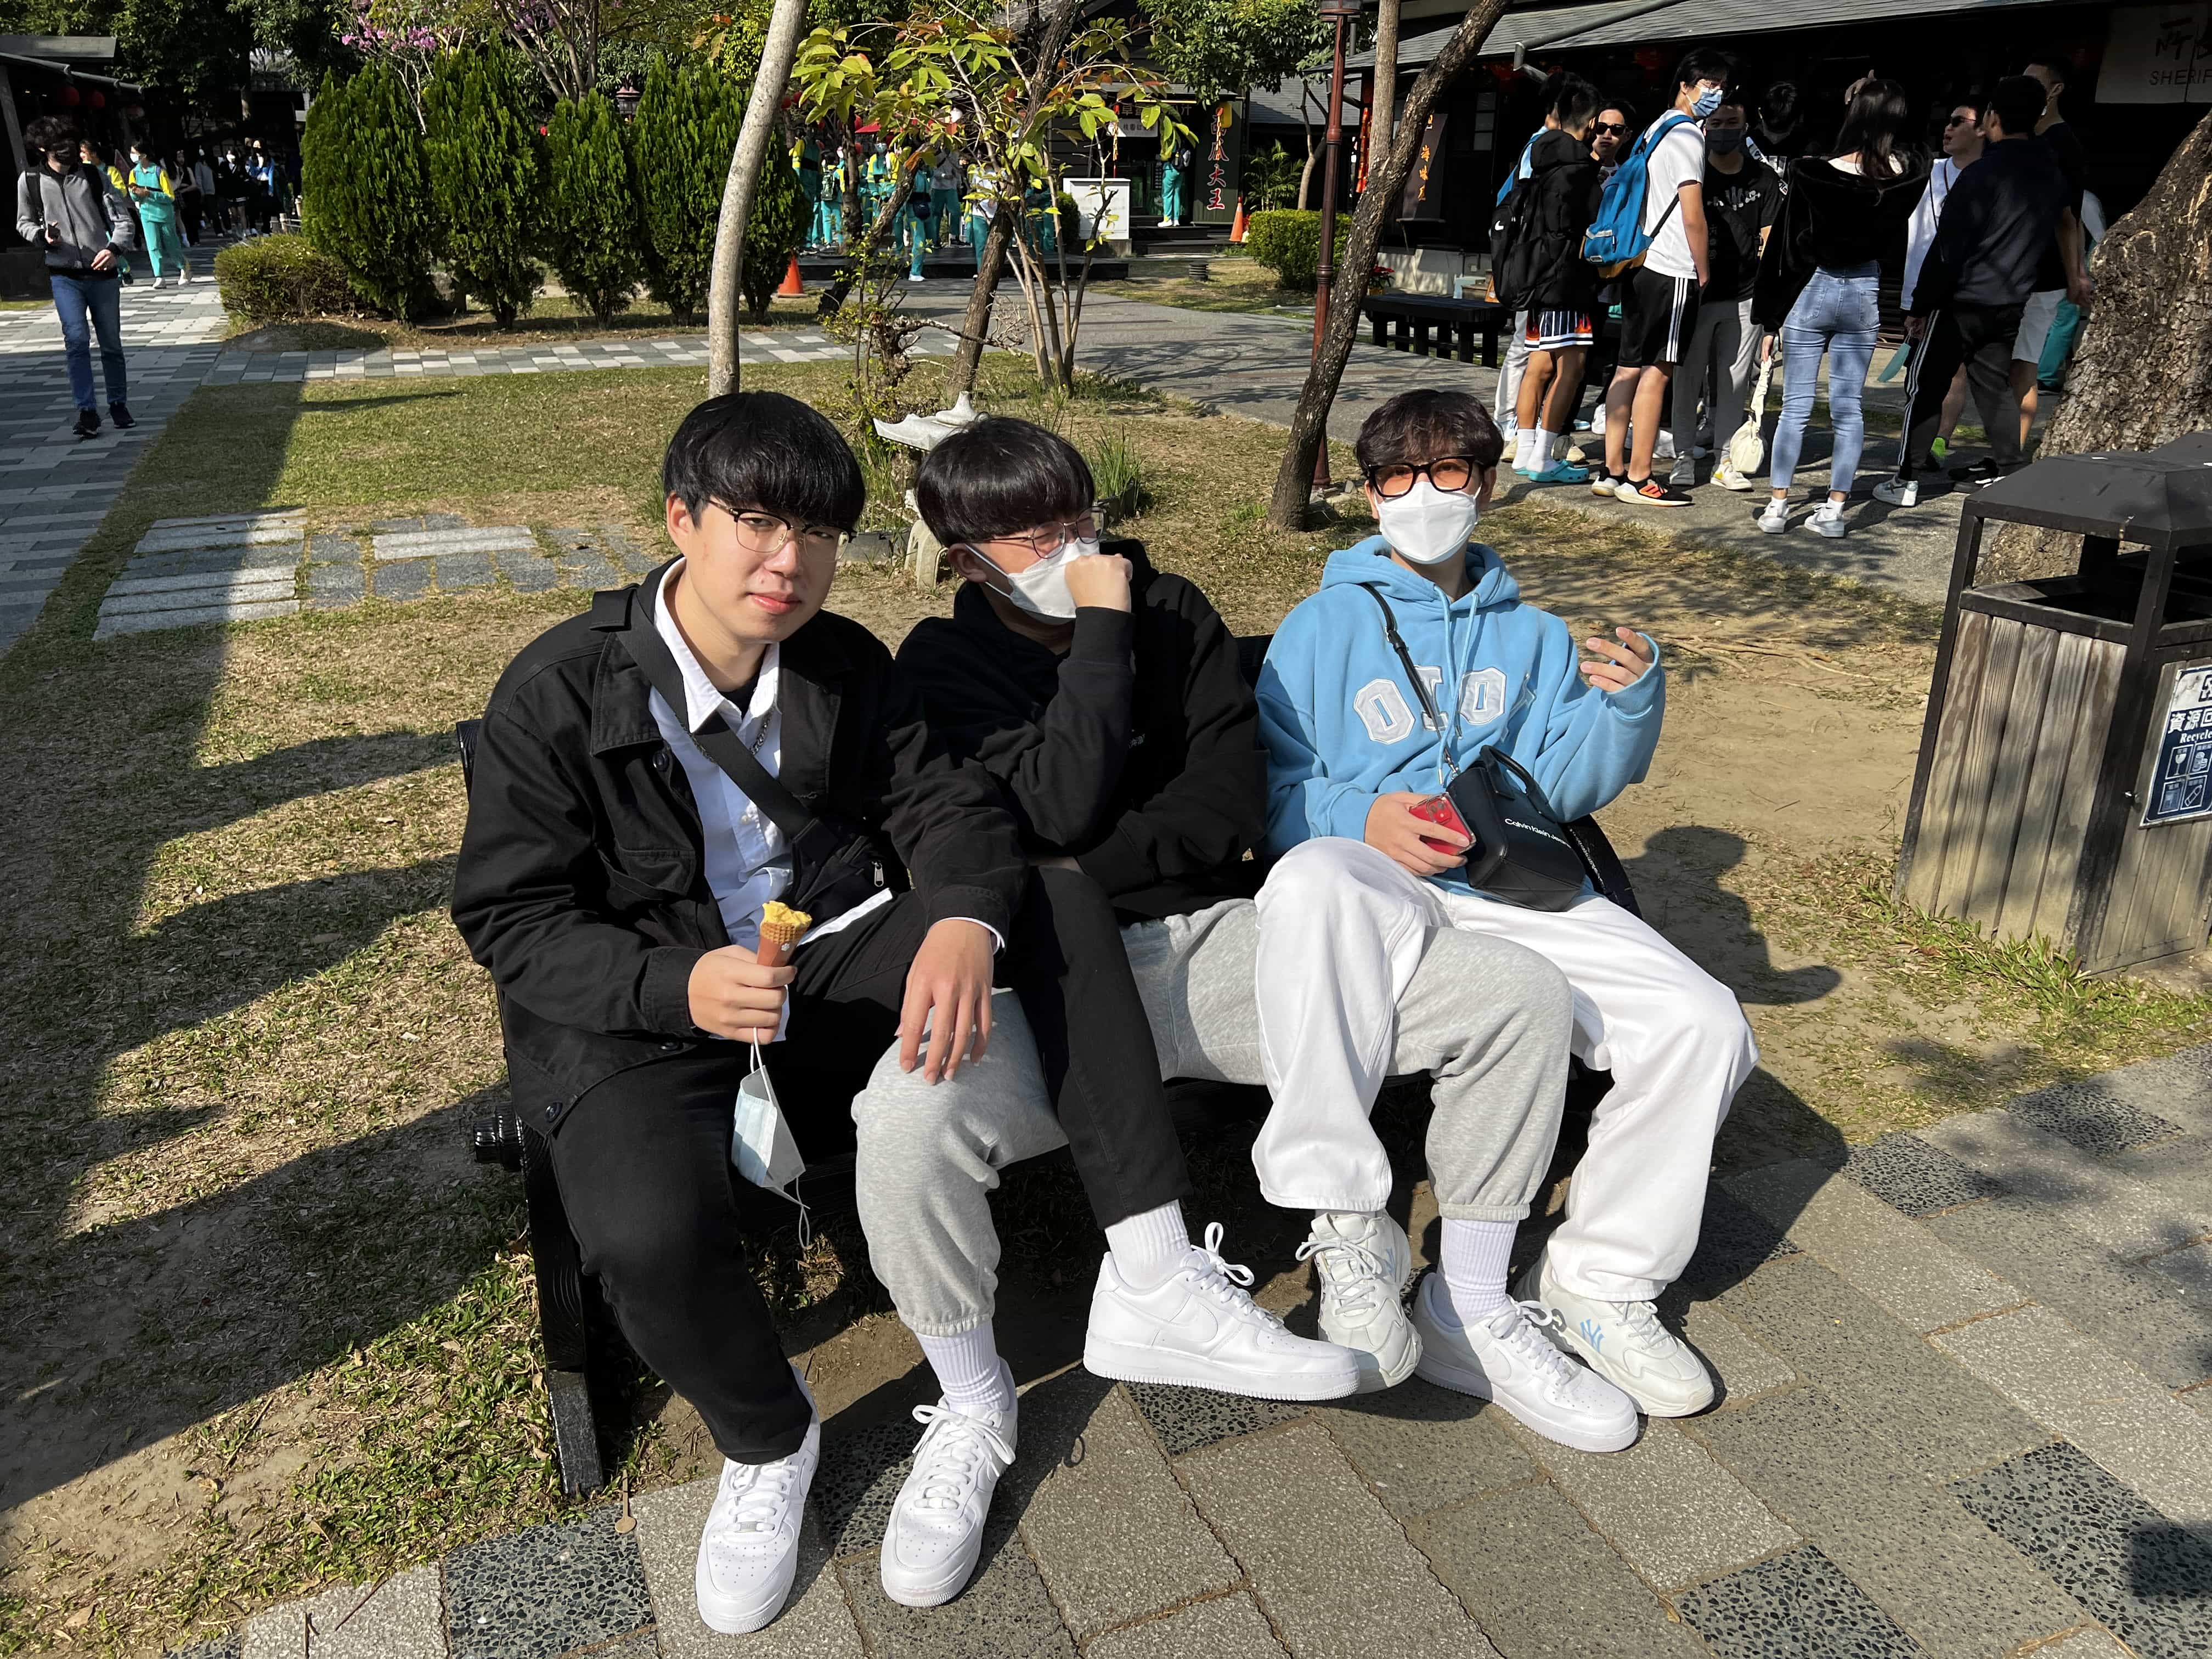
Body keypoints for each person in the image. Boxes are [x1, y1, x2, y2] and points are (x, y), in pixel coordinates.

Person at [452, 392, 1357, 1634]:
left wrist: (963, 917)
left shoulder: (842, 664)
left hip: (825, 952)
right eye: (757, 524)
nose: (789, 562)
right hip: (643, 1001)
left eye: (818, 534)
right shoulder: (559, 690)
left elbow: (947, 806)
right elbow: (510, 914)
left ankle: (1153, 1275)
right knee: (647, 1236)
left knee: (1046, 896)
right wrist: (674, 985)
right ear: (681, 520)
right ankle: (768, 1443)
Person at [856, 416, 1605, 1600]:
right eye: (1037, 537)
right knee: (903, 1122)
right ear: (966, 560)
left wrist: (1073, 872)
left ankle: (1469, 1304)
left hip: (1210, 945)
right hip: (1039, 981)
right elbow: (1047, 803)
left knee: (1511, 993)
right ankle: (972, 1404)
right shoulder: (942, 667)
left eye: (1081, 517)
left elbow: (1226, 807)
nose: (1075, 548)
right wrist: (1098, 642)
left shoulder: (1175, 610)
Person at [1259, 387, 1758, 1421]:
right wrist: (1359, 817)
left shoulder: (1530, 635)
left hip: (1502, 884)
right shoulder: (1317, 629)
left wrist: (1628, 707)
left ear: (1485, 483)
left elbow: (1562, 788)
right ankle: (1347, 1224)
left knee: (1703, 1022)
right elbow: (1271, 791)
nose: (1423, 494)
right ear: (1369, 494)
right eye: (1398, 476)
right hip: (1369, 880)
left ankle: (1600, 1280)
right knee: (1309, 879)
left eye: (1447, 470)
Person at [1875, 76, 2066, 507]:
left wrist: (1921, 305)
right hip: (2011, 299)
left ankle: (1907, 477)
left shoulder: (1982, 173)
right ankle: (2011, 470)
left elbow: (1948, 248)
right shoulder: (2050, 173)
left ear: (1993, 118)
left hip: (1960, 301)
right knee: (1994, 388)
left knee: (1926, 386)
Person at [1750, 78, 1926, 538]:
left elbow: (1786, 247)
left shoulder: (1813, 173)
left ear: (1854, 114)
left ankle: (1777, 505)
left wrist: (1769, 318)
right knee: (1850, 408)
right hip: (1865, 289)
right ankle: (1834, 510)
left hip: (1813, 286)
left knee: (1796, 406)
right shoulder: (1906, 178)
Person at [1597, 49, 1730, 507]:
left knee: (1627, 367)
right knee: (1658, 372)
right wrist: (1703, 270)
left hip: (1639, 262)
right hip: (1672, 266)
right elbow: (1693, 213)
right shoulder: (1688, 136)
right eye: (1708, 85)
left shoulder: (1656, 129)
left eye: (1721, 86)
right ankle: (1640, 476)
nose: (1716, 94)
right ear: (1685, 86)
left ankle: (1612, 469)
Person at [1668, 93, 1779, 492]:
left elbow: (1770, 238)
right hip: (1696, 293)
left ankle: (1725, 460)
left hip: (1744, 294)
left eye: (1732, 124)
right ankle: (1682, 456)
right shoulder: (1694, 174)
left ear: (1746, 129)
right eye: (1716, 124)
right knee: (1687, 380)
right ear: (1705, 128)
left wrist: (1770, 305)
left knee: (1734, 382)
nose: (1724, 131)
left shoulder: (1763, 178)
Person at [1502, 75, 1604, 487]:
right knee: (1572, 367)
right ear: (1592, 122)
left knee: (1538, 365)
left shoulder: (1539, 159)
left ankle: (1526, 448)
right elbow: (1589, 224)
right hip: (1567, 282)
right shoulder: (1580, 170)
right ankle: (1544, 455)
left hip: (1536, 278)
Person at [15, 116, 136, 439]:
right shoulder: (30, 181)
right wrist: (42, 237)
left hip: (103, 272)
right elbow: (23, 222)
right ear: (43, 148)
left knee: (111, 343)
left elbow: (123, 219)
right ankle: (87, 411)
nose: (68, 150)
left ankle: (118, 404)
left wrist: (114, 248)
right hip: (64, 275)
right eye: (59, 145)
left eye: (71, 143)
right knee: (77, 341)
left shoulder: (94, 177)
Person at [2005, 52, 2093, 467]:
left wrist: (2076, 275)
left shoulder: (2062, 143)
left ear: (2055, 91)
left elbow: (2070, 218)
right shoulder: (2023, 138)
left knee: (2024, 365)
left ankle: (2010, 456)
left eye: (2035, 83)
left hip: (2042, 276)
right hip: (2009, 271)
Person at [1901, 99, 1987, 470]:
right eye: (1947, 122)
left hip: (1968, 289)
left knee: (1957, 369)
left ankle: (1938, 442)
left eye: (1958, 121)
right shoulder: (1929, 170)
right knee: (1918, 370)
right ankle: (1915, 443)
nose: (1948, 128)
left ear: (1983, 128)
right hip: (1921, 283)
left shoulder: (1991, 175)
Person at [126, 143, 188, 286]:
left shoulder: (159, 171)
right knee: (153, 246)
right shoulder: (134, 173)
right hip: (146, 214)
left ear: (144, 155)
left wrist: (150, 194)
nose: (133, 156)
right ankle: (159, 276)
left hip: (164, 215)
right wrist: (136, 193)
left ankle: (184, 267)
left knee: (171, 245)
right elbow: (133, 196)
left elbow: (170, 197)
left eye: (135, 153)